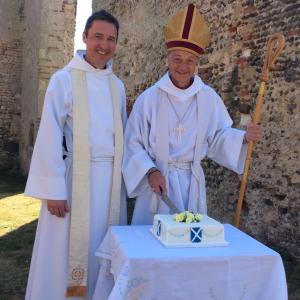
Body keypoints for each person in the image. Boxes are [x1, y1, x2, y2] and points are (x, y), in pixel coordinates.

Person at [122, 4, 262, 225]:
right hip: (158, 185)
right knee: (154, 247)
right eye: (177, 59)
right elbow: (132, 143)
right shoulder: (149, 99)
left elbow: (217, 137)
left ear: (197, 63)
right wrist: (149, 171)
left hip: (192, 186)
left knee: (189, 247)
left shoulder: (208, 98)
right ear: (167, 59)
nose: (183, 66)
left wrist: (243, 138)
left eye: (190, 61)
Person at [24, 10, 127, 300]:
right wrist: (53, 189)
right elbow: (49, 135)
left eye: (111, 39)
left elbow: (123, 136)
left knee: (104, 250)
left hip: (109, 187)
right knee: (63, 254)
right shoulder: (63, 80)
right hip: (72, 183)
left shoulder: (117, 86)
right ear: (85, 37)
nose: (104, 45)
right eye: (98, 37)